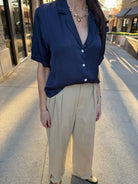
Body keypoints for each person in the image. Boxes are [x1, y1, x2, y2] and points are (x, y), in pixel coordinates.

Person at [31, 0, 108, 183]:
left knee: (86, 140)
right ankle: (55, 177)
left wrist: (98, 98)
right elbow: (43, 67)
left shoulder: (97, 15)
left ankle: (83, 172)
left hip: (89, 92)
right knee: (57, 144)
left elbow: (94, 63)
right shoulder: (46, 14)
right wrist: (43, 108)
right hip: (60, 93)